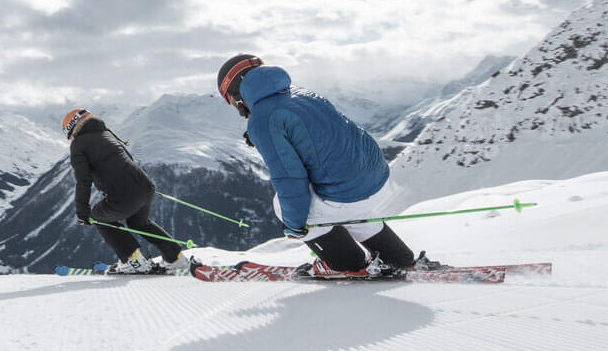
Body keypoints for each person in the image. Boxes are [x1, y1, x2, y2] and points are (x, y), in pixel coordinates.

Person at [216, 54, 440, 276]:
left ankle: (346, 264)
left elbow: (290, 179)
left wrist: (295, 225)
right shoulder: (302, 93)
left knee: (285, 206)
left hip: (346, 194)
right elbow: (316, 133)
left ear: (237, 95)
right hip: (377, 176)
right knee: (354, 213)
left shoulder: (262, 120)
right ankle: (400, 259)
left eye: (229, 100)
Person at [62, 108, 188, 274]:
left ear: (73, 127)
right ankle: (176, 257)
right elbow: (129, 161)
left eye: (68, 134)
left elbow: (83, 180)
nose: (70, 139)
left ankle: (133, 260)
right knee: (139, 223)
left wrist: (82, 211)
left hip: (125, 194)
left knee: (98, 217)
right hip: (145, 186)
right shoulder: (106, 134)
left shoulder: (79, 144)